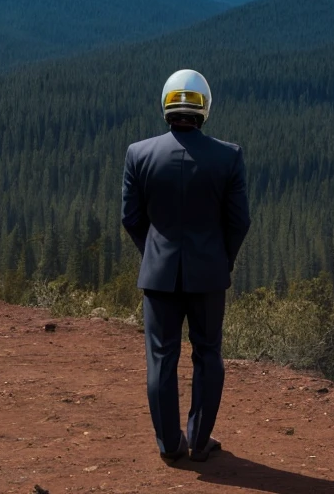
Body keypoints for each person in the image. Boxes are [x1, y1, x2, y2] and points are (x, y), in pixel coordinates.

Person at [121, 69, 250, 464]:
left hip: (158, 277)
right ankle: (198, 439)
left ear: (166, 105)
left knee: (161, 358)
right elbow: (239, 221)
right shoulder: (228, 156)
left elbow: (131, 217)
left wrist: (154, 254)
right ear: (204, 107)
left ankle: (169, 445)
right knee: (208, 355)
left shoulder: (138, 153)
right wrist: (220, 260)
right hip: (209, 275)